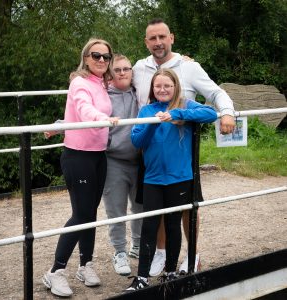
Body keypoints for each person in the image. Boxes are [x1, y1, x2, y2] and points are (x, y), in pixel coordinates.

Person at [132, 18, 236, 276]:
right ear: (146, 42)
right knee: (155, 207)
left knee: (188, 207)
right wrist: (81, 75)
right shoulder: (138, 67)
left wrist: (227, 113)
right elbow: (116, 80)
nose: (158, 43)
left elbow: (216, 94)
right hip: (150, 149)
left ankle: (192, 254)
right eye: (152, 38)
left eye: (162, 37)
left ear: (172, 38)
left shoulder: (189, 67)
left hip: (182, 152)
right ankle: (161, 253)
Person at [126, 68, 217, 291]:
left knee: (173, 225)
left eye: (167, 85)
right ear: (152, 88)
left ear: (175, 86)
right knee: (149, 226)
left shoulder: (185, 105)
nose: (163, 89)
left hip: (179, 178)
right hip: (153, 179)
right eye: (158, 86)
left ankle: (170, 272)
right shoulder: (147, 109)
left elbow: (211, 114)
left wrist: (177, 114)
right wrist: (152, 123)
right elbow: (137, 141)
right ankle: (142, 277)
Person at [42, 38, 119, 297]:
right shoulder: (79, 82)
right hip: (78, 156)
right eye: (96, 55)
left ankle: (85, 265)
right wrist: (104, 119)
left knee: (90, 213)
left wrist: (59, 122)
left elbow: (75, 112)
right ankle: (55, 272)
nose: (101, 60)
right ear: (86, 57)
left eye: (105, 57)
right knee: (81, 215)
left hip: (99, 156)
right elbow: (85, 110)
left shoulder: (103, 83)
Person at [102, 54, 143, 276]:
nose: (122, 73)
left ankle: (137, 245)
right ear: (110, 72)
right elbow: (80, 111)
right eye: (117, 69)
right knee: (116, 209)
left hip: (139, 160)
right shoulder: (103, 96)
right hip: (114, 160)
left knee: (140, 207)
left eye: (126, 69)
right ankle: (120, 252)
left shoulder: (139, 92)